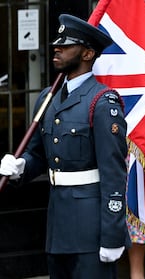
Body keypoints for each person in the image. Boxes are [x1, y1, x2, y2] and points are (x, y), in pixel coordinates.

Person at [0, 14, 130, 278]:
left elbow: (114, 175)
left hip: (91, 228)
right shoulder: (48, 98)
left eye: (66, 45)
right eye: (56, 44)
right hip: (57, 226)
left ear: (88, 53)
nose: (56, 48)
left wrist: (112, 235)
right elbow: (38, 154)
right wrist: (21, 167)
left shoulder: (102, 103)